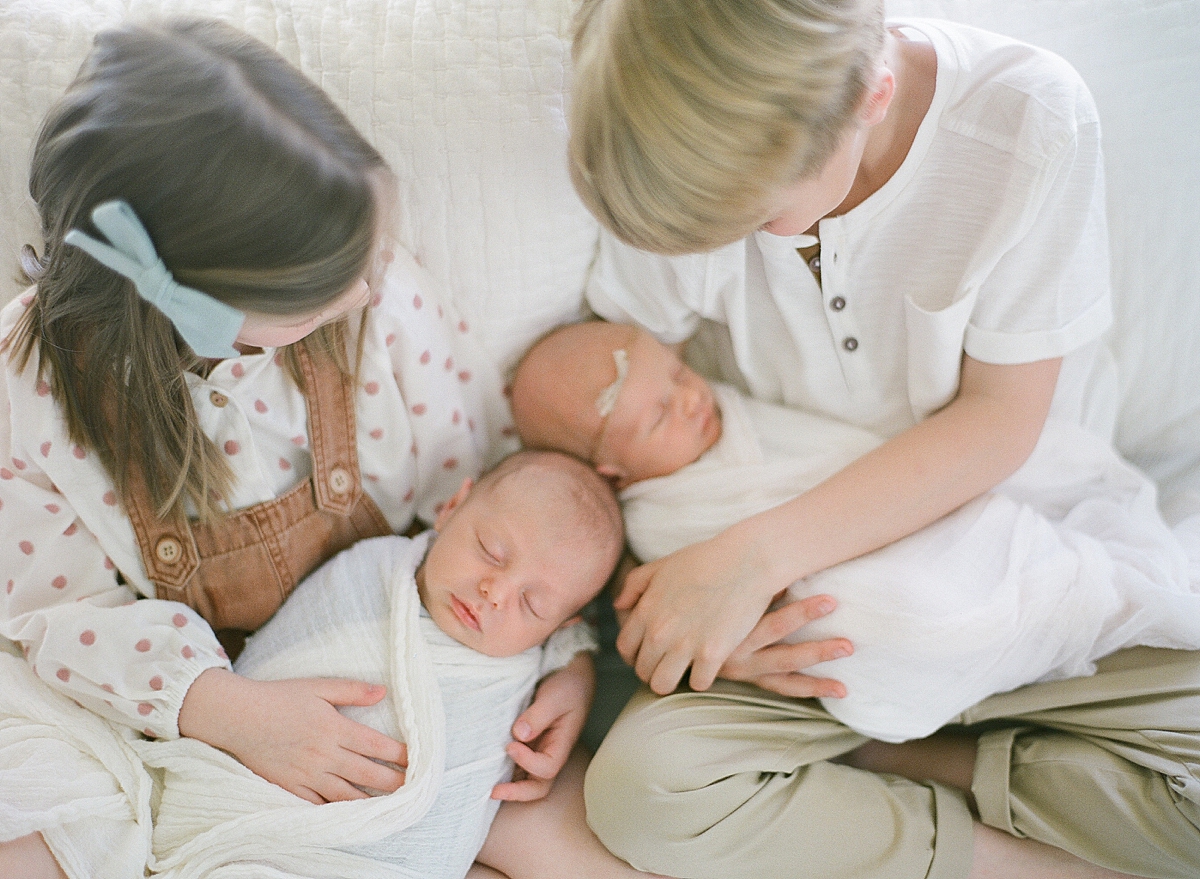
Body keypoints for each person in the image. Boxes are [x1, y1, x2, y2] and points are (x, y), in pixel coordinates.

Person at [566, 1, 1200, 877]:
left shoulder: (1028, 120)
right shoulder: (684, 153)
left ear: (872, 95)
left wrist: (748, 559)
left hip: (1031, 561)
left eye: (759, 219)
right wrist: (682, 595)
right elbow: (612, 433)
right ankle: (992, 849)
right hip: (814, 636)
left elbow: (999, 422)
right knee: (644, 787)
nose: (740, 243)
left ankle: (902, 764)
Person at [0, 19, 594, 879]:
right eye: (322, 291)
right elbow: (59, 612)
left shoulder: (378, 314)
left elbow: (506, 511)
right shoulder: (31, 387)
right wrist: (226, 710)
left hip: (393, 668)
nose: (364, 291)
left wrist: (561, 663)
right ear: (196, 306)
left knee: (560, 834)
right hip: (167, 699)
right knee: (49, 814)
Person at [512, 319, 1200, 743]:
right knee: (906, 616)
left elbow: (845, 460)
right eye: (660, 414)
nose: (694, 399)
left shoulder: (733, 402)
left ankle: (1052, 598)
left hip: (897, 518)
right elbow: (673, 603)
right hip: (830, 621)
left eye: (681, 374)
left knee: (950, 593)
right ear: (613, 470)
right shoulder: (661, 518)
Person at [137, 448, 632, 878]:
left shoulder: (534, 658)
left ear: (560, 625)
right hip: (258, 823)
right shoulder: (372, 569)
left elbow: (569, 638)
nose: (495, 593)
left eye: (533, 605)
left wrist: (575, 664)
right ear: (452, 506)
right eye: (491, 552)